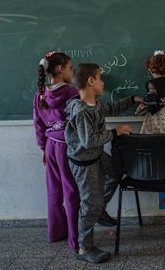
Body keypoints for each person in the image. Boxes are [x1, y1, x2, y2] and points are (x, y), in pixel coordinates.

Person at [64, 63, 142, 263]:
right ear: (91, 81)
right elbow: (89, 142)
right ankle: (84, 248)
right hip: (84, 162)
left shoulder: (96, 104)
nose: (103, 81)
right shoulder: (81, 111)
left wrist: (132, 99)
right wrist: (115, 132)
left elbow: (112, 107)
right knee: (90, 203)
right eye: (100, 78)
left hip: (97, 156)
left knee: (117, 172)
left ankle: (99, 211)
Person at [33, 51, 80, 252]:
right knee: (71, 192)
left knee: (54, 191)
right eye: (70, 68)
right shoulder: (71, 92)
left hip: (51, 145)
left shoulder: (40, 93)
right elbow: (78, 121)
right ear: (61, 69)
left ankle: (55, 232)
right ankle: (75, 237)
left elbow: (38, 124)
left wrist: (43, 147)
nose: (72, 72)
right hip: (67, 146)